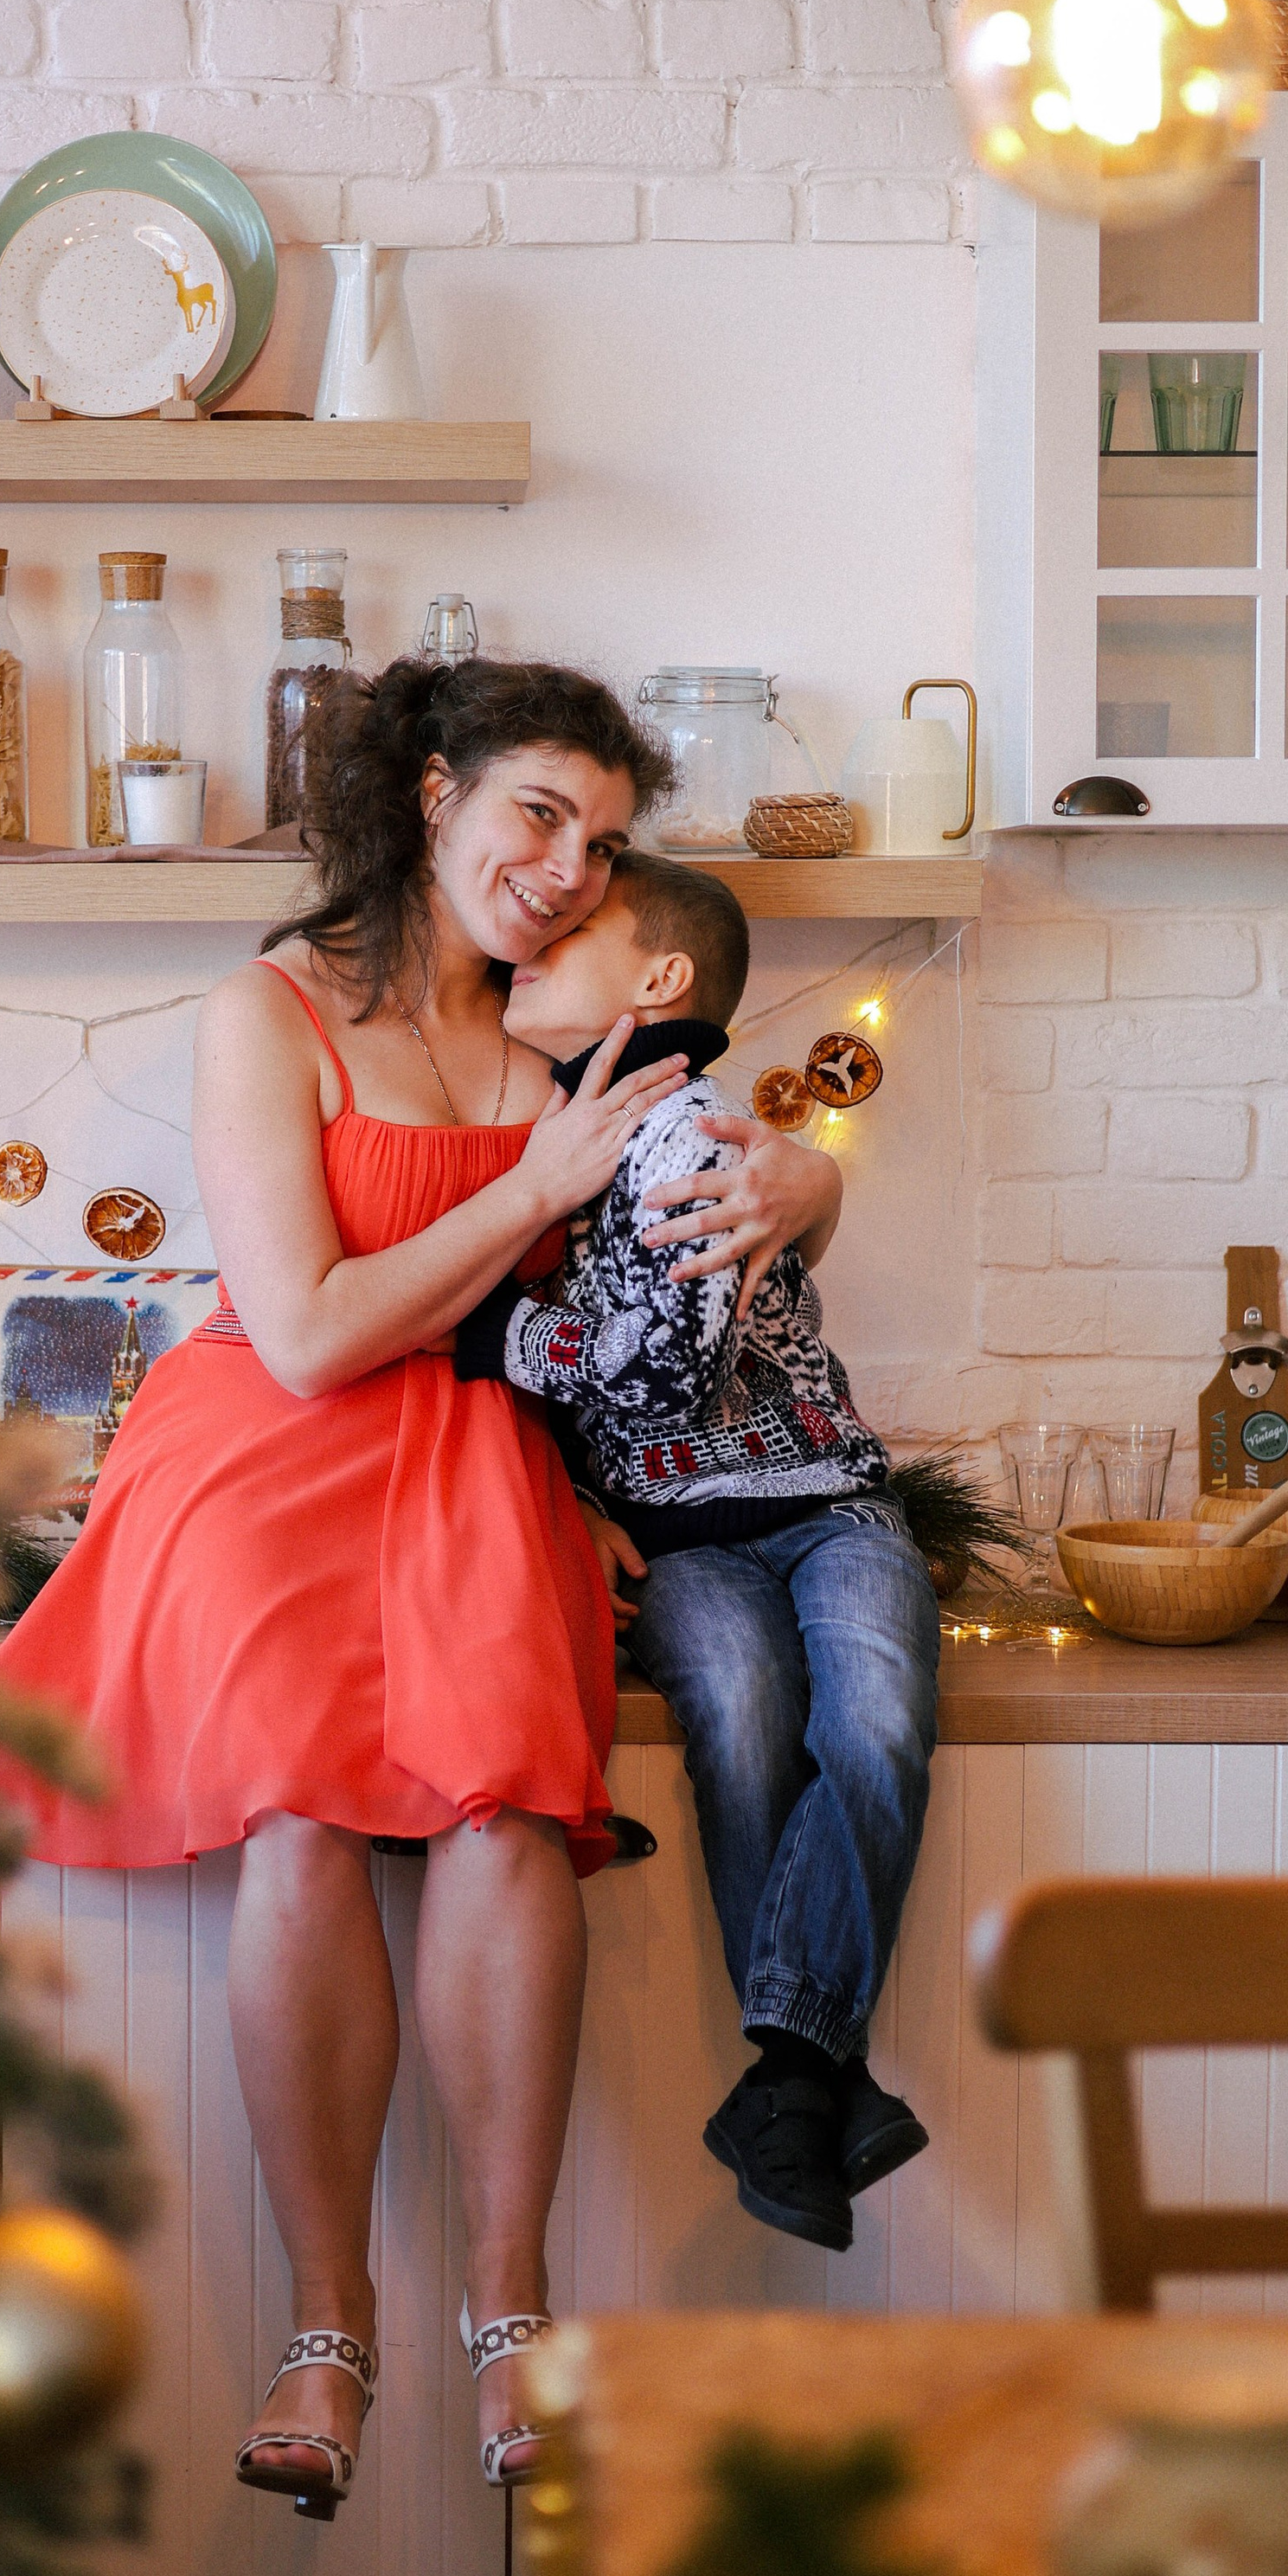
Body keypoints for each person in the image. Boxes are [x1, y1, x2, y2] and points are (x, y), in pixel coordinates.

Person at [0, 665, 846, 2515]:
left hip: (465, 1452)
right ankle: (323, 2320)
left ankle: (507, 2302)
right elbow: (298, 1332)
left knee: (509, 1814)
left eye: (598, 841)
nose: (561, 864)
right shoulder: (265, 1011)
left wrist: (809, 1186)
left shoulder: (573, 1039)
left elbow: (713, 1207)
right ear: (432, 788)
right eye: (535, 810)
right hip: (268, 1455)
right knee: (293, 1815)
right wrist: (527, 1192)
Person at [453, 850, 938, 2258]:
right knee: (735, 1715)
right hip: (677, 1538)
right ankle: (816, 2080)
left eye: (574, 930)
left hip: (824, 1502)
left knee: (881, 1712)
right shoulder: (566, 1134)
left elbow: (658, 1380)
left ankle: (788, 2070)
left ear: (661, 982)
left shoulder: (691, 1135)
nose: (532, 940)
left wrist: (495, 1342)